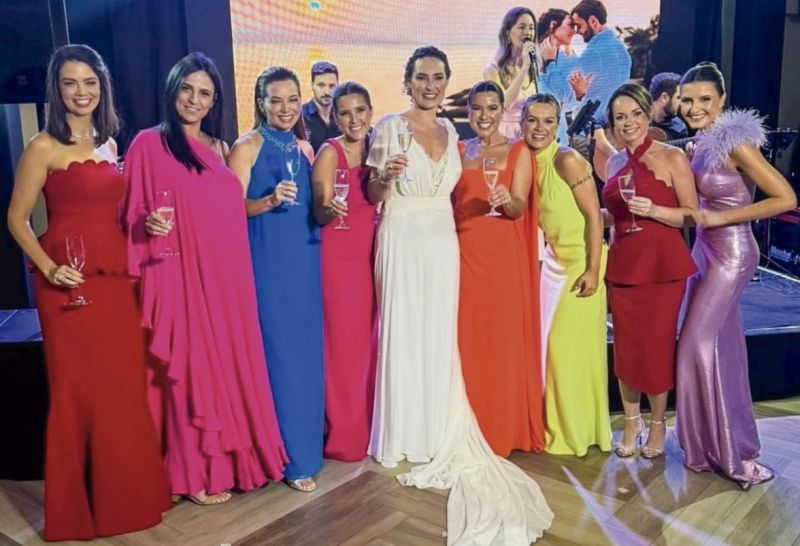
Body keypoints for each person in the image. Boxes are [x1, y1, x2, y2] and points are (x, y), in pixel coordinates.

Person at [367, 45, 553, 545]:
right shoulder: (389, 127)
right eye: (421, 77)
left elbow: (494, 200)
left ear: (447, 83)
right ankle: (402, 432)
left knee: (439, 338)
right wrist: (383, 178)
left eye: (438, 78)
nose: (430, 86)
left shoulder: (452, 135)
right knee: (403, 333)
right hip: (402, 236)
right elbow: (372, 193)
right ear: (408, 81)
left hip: (444, 246)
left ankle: (434, 429)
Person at [7, 44, 170, 540]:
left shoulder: (110, 143)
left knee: (120, 390)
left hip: (116, 283)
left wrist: (145, 223)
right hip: (67, 287)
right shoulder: (42, 146)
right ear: (56, 89)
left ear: (103, 88)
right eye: (70, 83)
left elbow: (112, 216)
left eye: (90, 82)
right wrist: (49, 269)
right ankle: (78, 513)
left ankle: (127, 502)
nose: (81, 92)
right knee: (77, 393)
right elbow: (16, 219)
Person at [122, 52, 288, 505]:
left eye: (205, 94)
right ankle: (192, 472)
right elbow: (131, 212)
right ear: (172, 90)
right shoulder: (147, 144)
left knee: (224, 368)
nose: (194, 100)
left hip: (226, 275)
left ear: (215, 101)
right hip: (177, 274)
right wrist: (146, 223)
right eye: (187, 90)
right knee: (189, 370)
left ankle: (228, 464)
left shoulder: (218, 148)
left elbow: (231, 209)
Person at [676, 62, 797, 488]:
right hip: (703, 252)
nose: (694, 107)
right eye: (687, 100)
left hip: (732, 254)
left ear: (722, 100)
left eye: (705, 99)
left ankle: (729, 451)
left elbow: (785, 197)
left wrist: (720, 218)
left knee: (696, 343)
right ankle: (713, 445)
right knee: (723, 349)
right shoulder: (699, 142)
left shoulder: (737, 142)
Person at [227, 66, 324, 492]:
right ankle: (284, 458)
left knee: (306, 360)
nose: (285, 108)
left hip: (306, 263)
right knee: (279, 360)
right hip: (268, 267)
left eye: (292, 100)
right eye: (275, 100)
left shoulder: (306, 148)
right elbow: (227, 211)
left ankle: (306, 452)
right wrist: (267, 201)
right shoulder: (246, 146)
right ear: (261, 103)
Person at [601, 83, 697, 459]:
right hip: (624, 262)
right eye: (619, 117)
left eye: (635, 114)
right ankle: (631, 422)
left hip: (662, 266)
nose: (628, 123)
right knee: (626, 348)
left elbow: (691, 215)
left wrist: (654, 210)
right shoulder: (613, 163)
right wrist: (588, 216)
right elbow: (614, 215)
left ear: (648, 114)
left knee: (655, 347)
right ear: (612, 123)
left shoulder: (672, 157)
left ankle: (658, 424)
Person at [453, 80, 544, 457]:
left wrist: (507, 200)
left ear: (501, 112)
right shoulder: (459, 151)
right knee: (469, 342)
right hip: (464, 258)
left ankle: (502, 428)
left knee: (501, 342)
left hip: (503, 260)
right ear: (468, 112)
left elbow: (519, 206)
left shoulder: (518, 150)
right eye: (477, 108)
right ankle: (470, 427)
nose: (484, 115)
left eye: (492, 108)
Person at [521, 94, 611, 456]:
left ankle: (573, 433)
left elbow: (594, 216)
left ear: (558, 124)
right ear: (522, 123)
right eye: (532, 120)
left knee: (565, 348)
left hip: (583, 264)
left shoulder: (567, 160)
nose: (539, 128)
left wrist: (593, 269)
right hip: (556, 264)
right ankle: (571, 428)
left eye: (548, 121)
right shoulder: (527, 161)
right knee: (558, 350)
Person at [310, 81, 378, 462]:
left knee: (367, 345)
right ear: (335, 118)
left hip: (371, 259)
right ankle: (344, 433)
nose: (354, 120)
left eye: (360, 111)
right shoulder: (329, 152)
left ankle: (369, 427)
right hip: (338, 261)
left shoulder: (378, 150)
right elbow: (320, 211)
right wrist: (329, 208)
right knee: (342, 349)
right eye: (346, 113)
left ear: (370, 112)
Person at [539, 0, 631, 130]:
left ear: (593, 21)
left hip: (592, 130)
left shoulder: (594, 53)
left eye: (579, 25)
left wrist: (550, 62)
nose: (577, 32)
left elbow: (563, 93)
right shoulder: (622, 50)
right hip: (616, 126)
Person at [483, 7, 539, 138]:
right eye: (522, 27)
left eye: (531, 28)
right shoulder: (492, 70)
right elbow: (504, 104)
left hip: (528, 135)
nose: (528, 32)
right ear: (508, 33)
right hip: (505, 135)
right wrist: (524, 68)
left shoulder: (533, 68)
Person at [302, 61, 342, 152]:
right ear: (312, 85)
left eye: (332, 86)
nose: (327, 92)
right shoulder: (300, 117)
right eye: (321, 85)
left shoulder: (343, 115)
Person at [649, 72, 688, 141]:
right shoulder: (637, 123)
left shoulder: (679, 129)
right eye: (678, 97)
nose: (681, 103)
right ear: (664, 98)